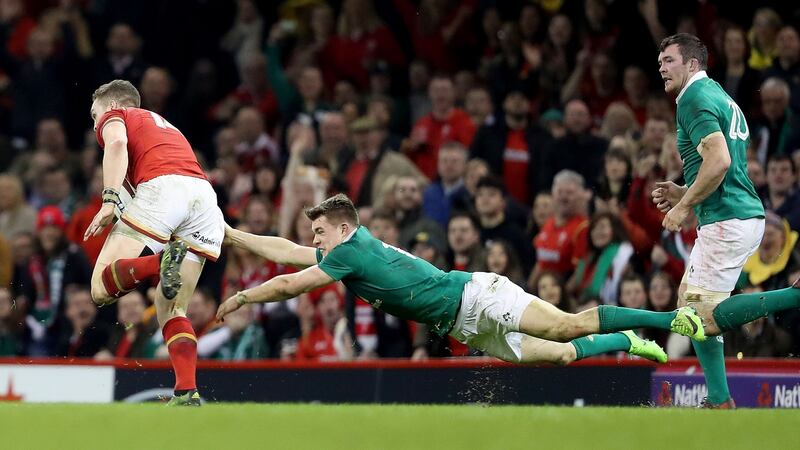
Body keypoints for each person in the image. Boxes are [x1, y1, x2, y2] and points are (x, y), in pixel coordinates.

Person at [216, 193, 679, 367]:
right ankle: (626, 339)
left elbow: (288, 284)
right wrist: (235, 236)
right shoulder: (348, 250)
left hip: (479, 295)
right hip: (465, 323)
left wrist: (243, 295)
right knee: (559, 355)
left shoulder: (349, 254)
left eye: (320, 232)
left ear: (342, 228)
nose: (314, 240)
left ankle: (668, 319)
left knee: (566, 326)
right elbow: (288, 252)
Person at [83, 80, 225, 406]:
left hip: (164, 190)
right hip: (203, 198)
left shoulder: (115, 116)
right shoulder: (167, 129)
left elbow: (116, 144)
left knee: (99, 289)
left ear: (111, 104)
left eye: (94, 114)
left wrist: (108, 200)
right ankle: (186, 390)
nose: (95, 123)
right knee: (172, 307)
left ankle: (158, 263)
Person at [652, 33, 766, 408]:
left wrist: (683, 209)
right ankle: (719, 399)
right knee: (693, 305)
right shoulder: (716, 93)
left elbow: (719, 162)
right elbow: (716, 164)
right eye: (660, 61)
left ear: (693, 64)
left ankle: (789, 297)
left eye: (670, 60)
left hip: (728, 218)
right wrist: (684, 191)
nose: (662, 67)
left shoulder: (694, 98)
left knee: (699, 312)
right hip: (738, 213)